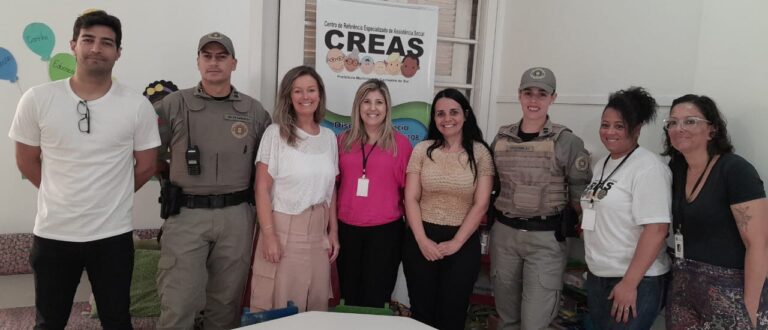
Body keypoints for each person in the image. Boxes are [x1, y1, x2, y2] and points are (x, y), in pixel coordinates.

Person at [8, 10, 160, 329]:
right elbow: (25, 160)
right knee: (49, 323)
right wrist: (61, 193)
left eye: (107, 43)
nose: (96, 48)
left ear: (118, 53)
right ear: (73, 45)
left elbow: (146, 166)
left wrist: (109, 196)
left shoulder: (136, 106)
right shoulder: (38, 99)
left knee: (117, 321)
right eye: (88, 40)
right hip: (53, 233)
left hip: (112, 236)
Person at [154, 32, 272, 329]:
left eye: (221, 56)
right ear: (197, 61)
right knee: (178, 302)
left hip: (237, 217)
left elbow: (267, 167)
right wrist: (169, 184)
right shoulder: (173, 104)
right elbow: (149, 155)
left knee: (225, 305)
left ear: (234, 63)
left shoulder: (254, 111)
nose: (214, 62)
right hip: (186, 216)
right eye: (207, 56)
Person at [490, 67, 592, 330]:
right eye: (528, 93)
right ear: (519, 96)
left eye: (541, 94)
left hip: (546, 239)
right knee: (506, 319)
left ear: (553, 98)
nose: (534, 100)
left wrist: (587, 232)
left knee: (536, 323)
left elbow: (582, 194)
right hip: (505, 235)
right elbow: (490, 183)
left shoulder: (567, 141)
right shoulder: (502, 138)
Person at [663, 95, 768, 329]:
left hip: (730, 290)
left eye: (690, 121)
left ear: (712, 129)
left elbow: (758, 245)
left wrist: (749, 307)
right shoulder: (676, 169)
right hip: (684, 285)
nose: (679, 128)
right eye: (672, 122)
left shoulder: (735, 170)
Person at [249, 65, 339, 312]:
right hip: (283, 230)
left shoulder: (329, 137)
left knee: (317, 306)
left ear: (319, 95)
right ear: (288, 96)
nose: (305, 96)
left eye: (311, 90)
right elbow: (261, 188)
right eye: (297, 91)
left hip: (318, 235)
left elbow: (331, 189)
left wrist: (334, 232)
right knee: (282, 307)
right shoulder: (275, 134)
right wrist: (269, 236)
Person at [579, 87, 671, 329]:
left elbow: (657, 229)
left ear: (637, 128)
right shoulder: (603, 163)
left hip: (634, 280)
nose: (609, 132)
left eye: (619, 126)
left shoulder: (649, 168)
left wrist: (629, 283)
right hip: (600, 275)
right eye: (605, 124)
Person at [402, 88, 494, 330]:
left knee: (452, 313)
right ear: (434, 118)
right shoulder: (422, 150)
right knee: (422, 312)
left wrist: (456, 243)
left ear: (465, 114)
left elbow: (481, 202)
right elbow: (410, 198)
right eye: (440, 113)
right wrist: (422, 241)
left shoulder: (480, 152)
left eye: (453, 112)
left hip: (462, 243)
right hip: (422, 240)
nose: (447, 119)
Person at [336, 79, 413, 308]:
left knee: (376, 299)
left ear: (387, 108)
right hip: (347, 230)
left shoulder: (401, 145)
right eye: (366, 102)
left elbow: (409, 194)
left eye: (379, 102)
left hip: (385, 234)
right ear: (358, 107)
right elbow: (333, 187)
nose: (372, 108)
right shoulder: (343, 141)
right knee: (348, 296)